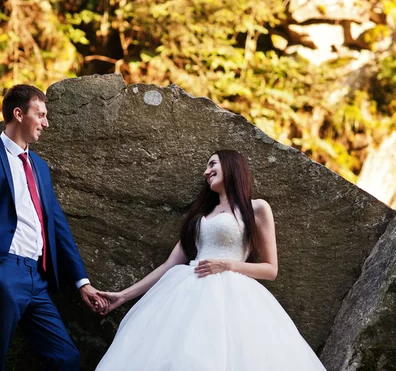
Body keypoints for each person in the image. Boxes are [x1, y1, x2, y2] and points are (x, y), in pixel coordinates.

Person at [95, 150, 326, 370]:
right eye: (207, 166)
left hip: (234, 296)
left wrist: (227, 265)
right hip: (185, 291)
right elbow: (169, 265)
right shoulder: (200, 216)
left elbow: (270, 269)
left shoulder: (256, 208)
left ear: (231, 166)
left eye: (212, 164)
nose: (206, 172)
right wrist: (122, 296)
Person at [0, 84, 106, 371]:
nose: (46, 123)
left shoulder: (40, 166)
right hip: (4, 274)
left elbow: (57, 226)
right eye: (41, 114)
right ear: (19, 114)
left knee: (66, 359)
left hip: (39, 279)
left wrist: (81, 282)